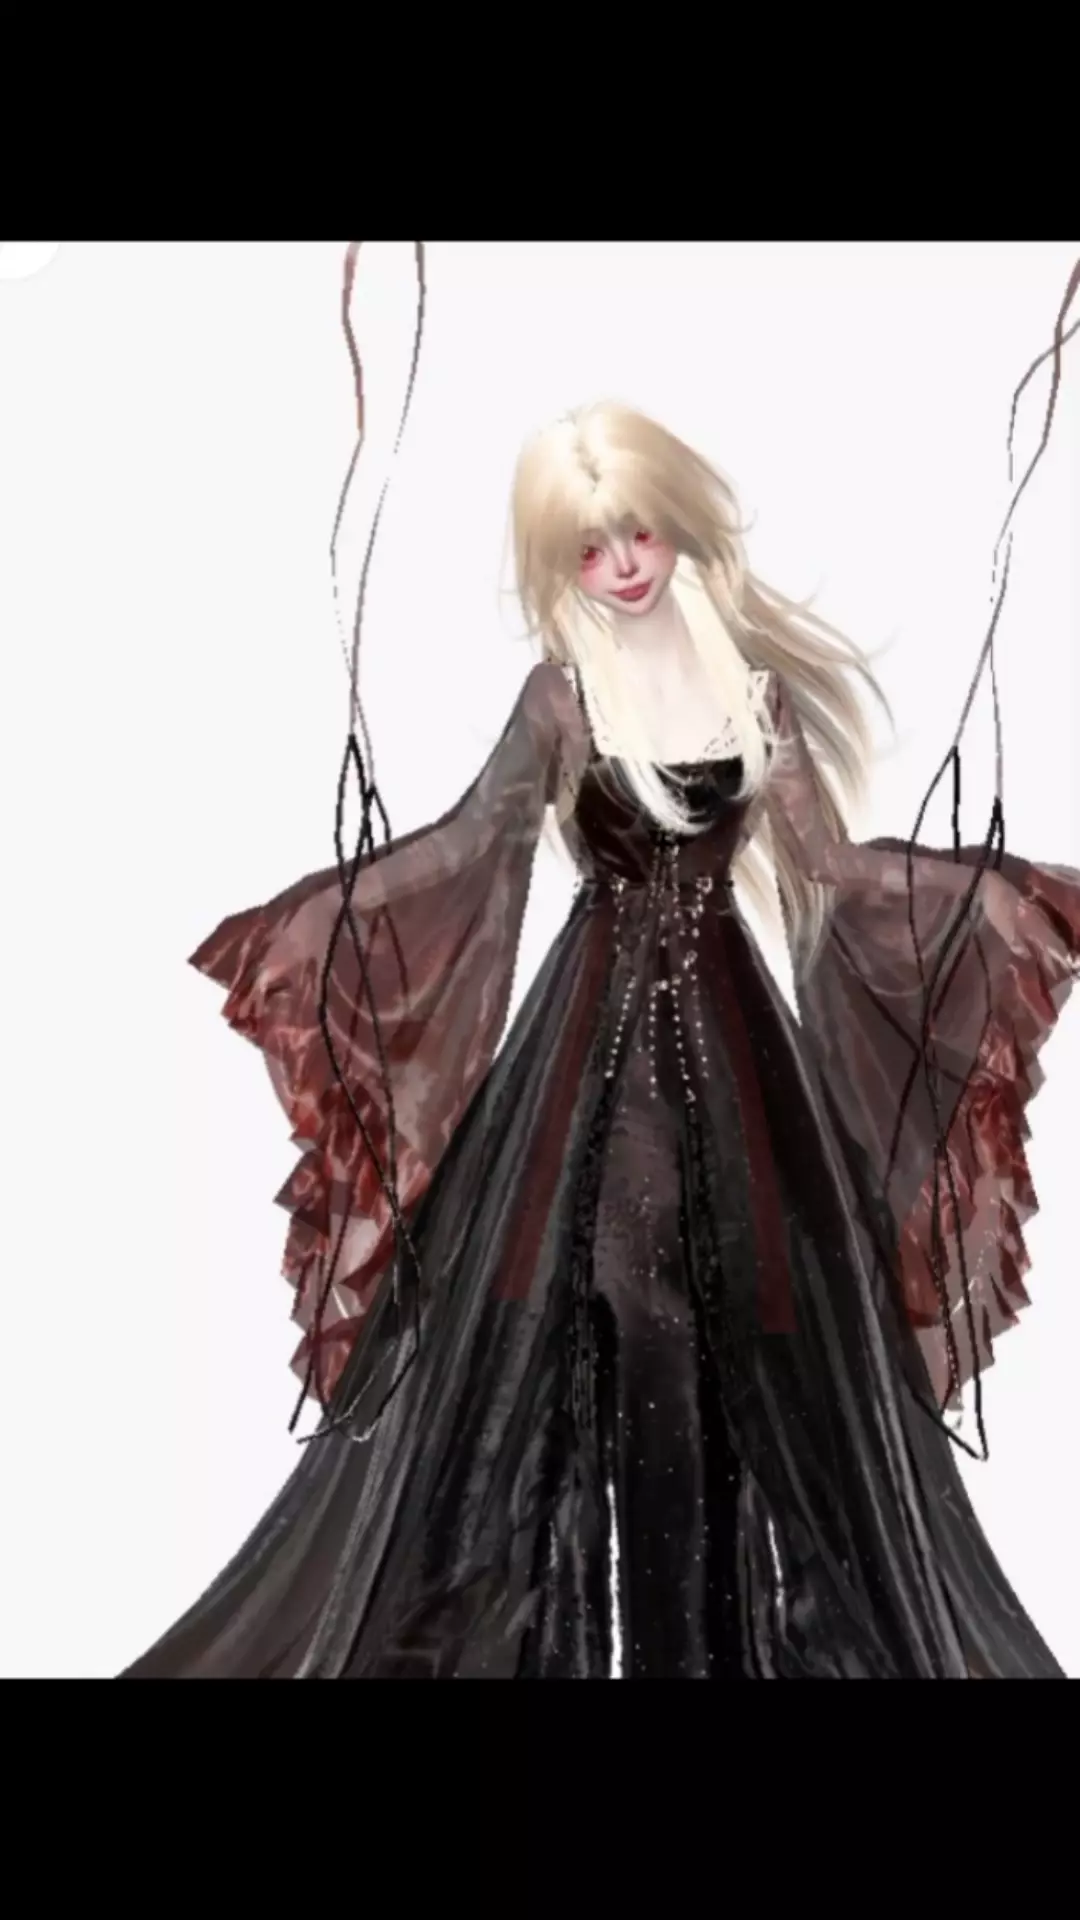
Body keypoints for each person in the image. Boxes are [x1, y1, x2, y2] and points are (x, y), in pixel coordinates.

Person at [122, 261, 1080, 1680]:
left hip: (741, 1058)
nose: (623, 563)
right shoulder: (562, 699)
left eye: (637, 531)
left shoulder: (751, 696)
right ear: (559, 565)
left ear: (675, 524)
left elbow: (830, 872)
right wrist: (323, 930)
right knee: (609, 1313)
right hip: (591, 1055)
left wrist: (991, 901)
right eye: (589, 547)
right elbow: (473, 850)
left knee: (753, 1331)